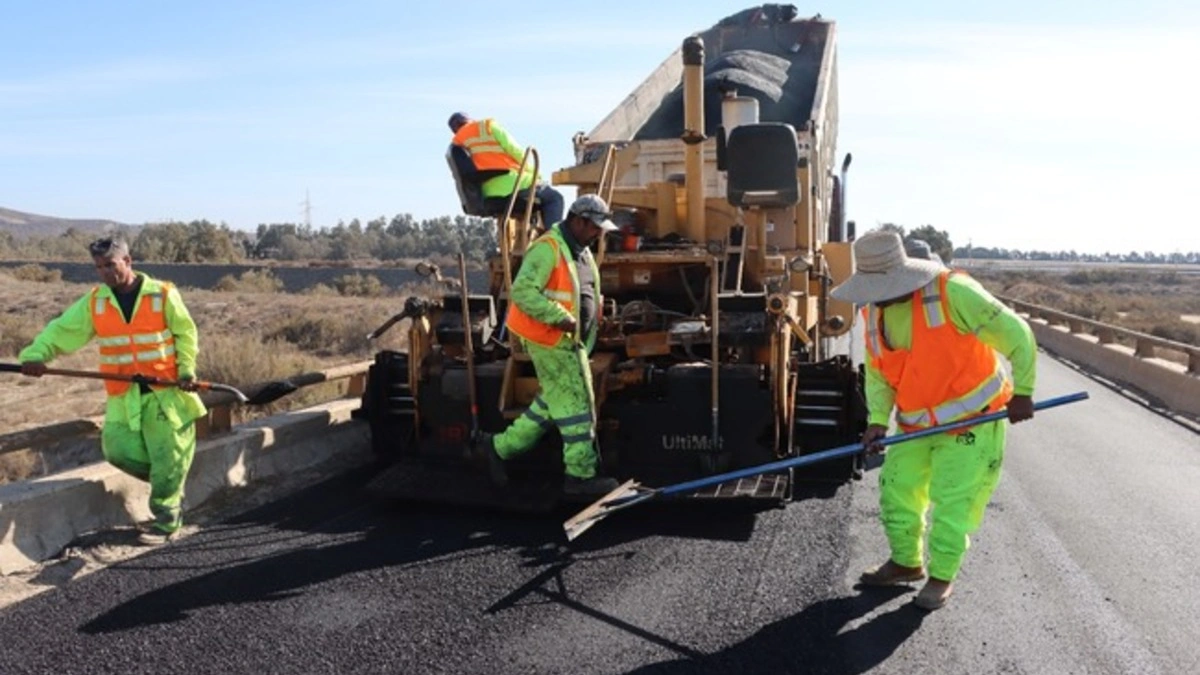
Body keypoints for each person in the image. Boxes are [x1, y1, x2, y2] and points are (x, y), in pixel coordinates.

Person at [831, 230, 1036, 610]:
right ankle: (906, 564)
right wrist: (877, 420)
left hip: (972, 421)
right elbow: (878, 372)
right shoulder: (874, 309)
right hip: (915, 425)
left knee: (952, 502)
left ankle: (941, 578)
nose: (877, 296)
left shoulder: (954, 293)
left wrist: (1023, 391)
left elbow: (1017, 333)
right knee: (896, 490)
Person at [18, 237, 207, 545]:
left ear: (128, 261)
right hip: (124, 394)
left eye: (111, 264)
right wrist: (36, 356)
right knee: (117, 450)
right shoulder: (96, 302)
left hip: (165, 393)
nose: (105, 272)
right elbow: (63, 330)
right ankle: (169, 481)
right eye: (99, 267)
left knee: (168, 455)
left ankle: (166, 520)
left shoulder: (162, 294)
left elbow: (186, 334)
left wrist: (187, 369)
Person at [476, 194, 621, 497]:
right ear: (578, 221)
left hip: (573, 341)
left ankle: (498, 448)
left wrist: (596, 316)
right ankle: (580, 476)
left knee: (551, 404)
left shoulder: (580, 250)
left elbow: (582, 288)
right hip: (552, 340)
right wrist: (561, 318)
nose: (599, 234)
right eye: (595, 227)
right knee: (577, 407)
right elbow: (523, 292)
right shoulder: (547, 248)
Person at [448, 112, 565, 227]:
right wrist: (536, 174)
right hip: (513, 185)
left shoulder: (457, 143)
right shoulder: (487, 126)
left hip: (488, 196)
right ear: (469, 120)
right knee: (554, 198)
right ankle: (553, 243)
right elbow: (515, 151)